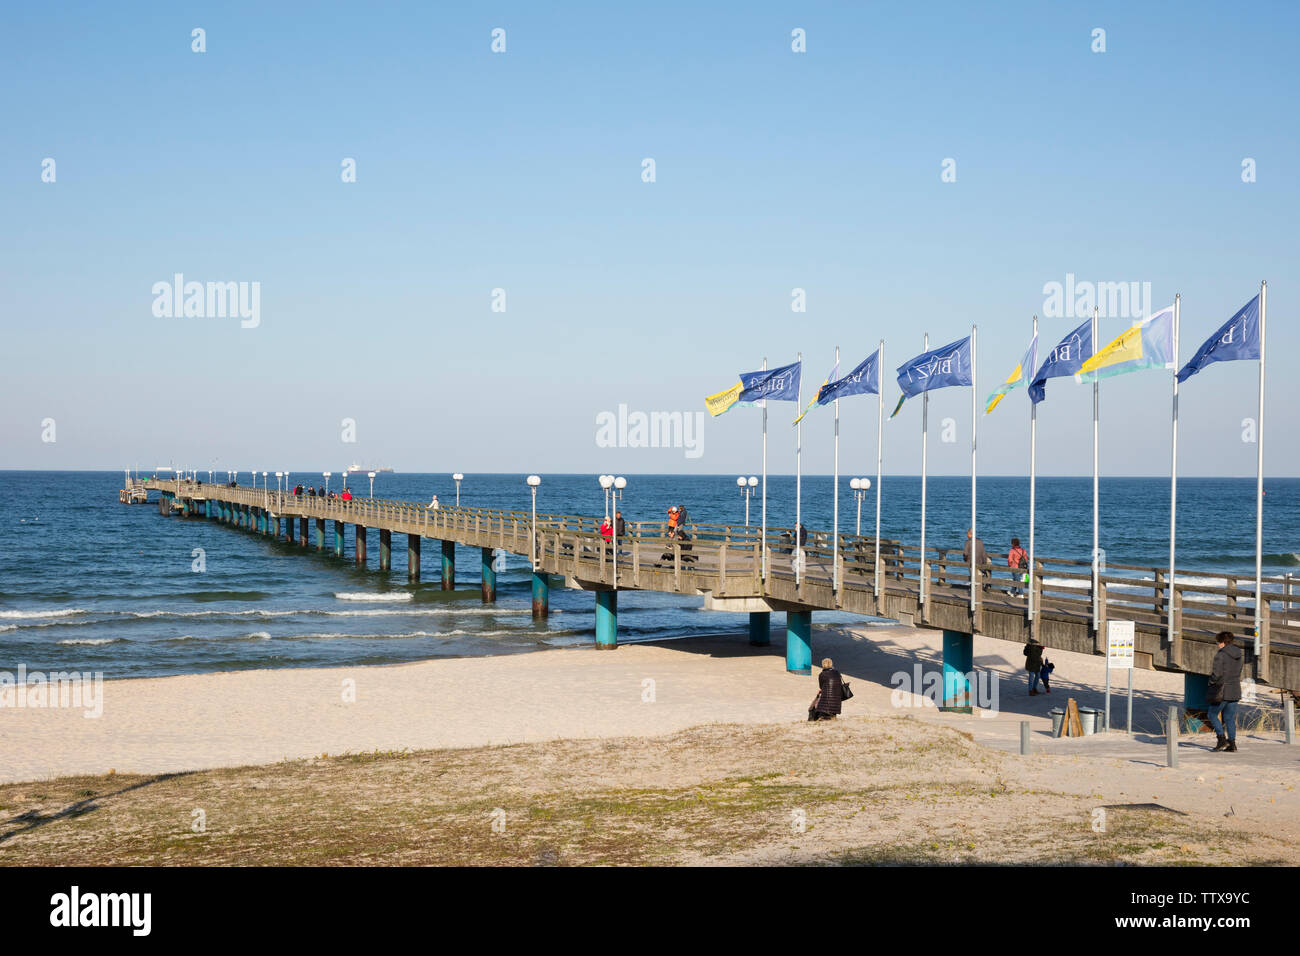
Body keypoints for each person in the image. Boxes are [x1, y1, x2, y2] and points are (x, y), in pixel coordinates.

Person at [1207, 631, 1244, 753]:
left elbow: (1216, 675)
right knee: (1229, 718)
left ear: (1223, 642)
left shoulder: (1220, 655)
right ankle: (1232, 744)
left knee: (1212, 714)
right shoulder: (1239, 654)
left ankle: (1221, 739)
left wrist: (1211, 682)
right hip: (1235, 689)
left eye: (1218, 642)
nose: (1218, 645)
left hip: (1222, 691)